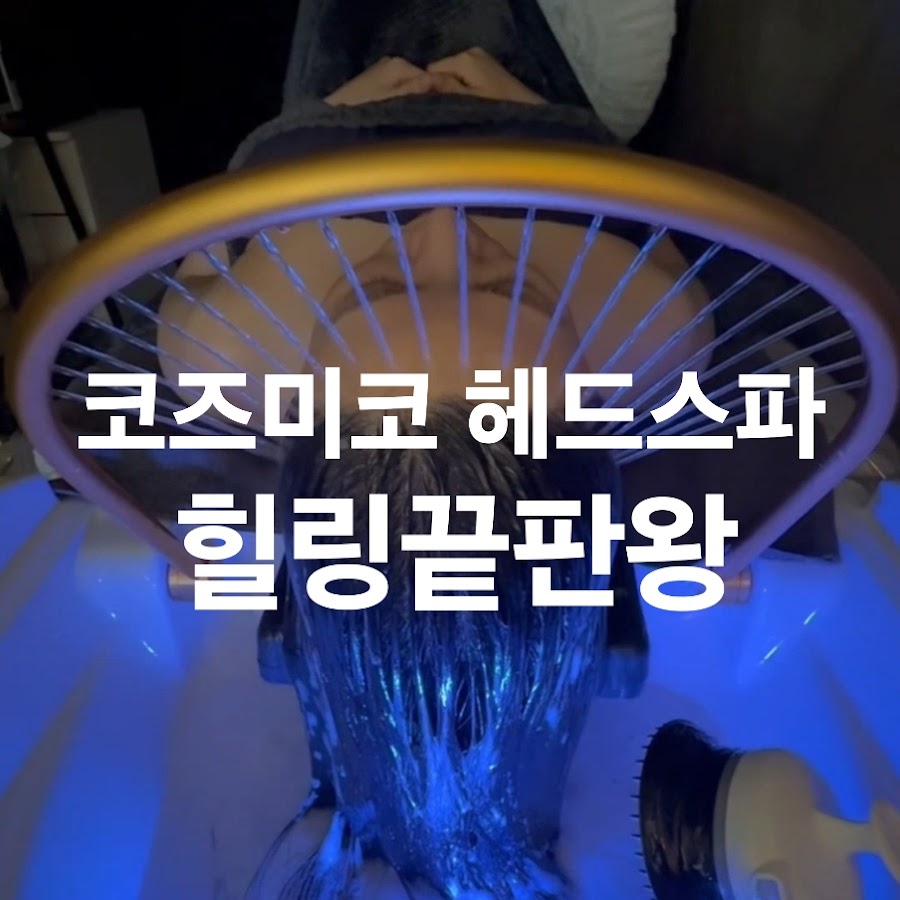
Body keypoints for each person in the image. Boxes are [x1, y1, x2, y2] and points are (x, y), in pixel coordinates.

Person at [154, 7, 713, 897]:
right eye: (513, 285)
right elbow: (643, 210)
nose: (443, 222)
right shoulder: (656, 334)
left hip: (330, 132)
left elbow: (209, 230)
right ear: (588, 413)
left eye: (373, 286)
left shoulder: (219, 350)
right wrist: (531, 115)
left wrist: (327, 120)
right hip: (528, 125)